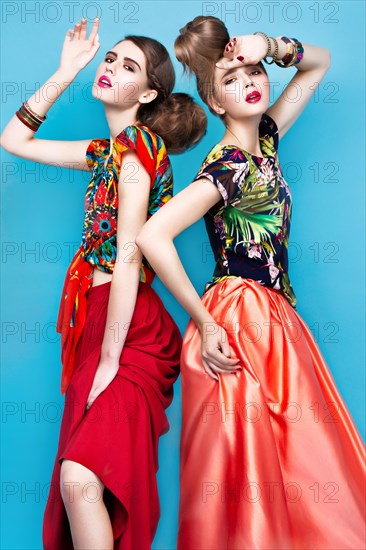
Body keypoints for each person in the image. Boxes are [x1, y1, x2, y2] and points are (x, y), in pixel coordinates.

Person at [136, 15, 366, 550]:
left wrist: (269, 45)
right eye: (233, 81)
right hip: (238, 318)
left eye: (255, 72)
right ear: (216, 103)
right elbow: (152, 236)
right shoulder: (228, 167)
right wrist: (206, 323)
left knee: (298, 466)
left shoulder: (265, 140)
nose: (250, 82)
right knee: (250, 473)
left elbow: (318, 64)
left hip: (275, 317)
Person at [0, 17, 207, 550]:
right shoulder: (104, 151)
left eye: (129, 66)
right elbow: (14, 140)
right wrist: (67, 69)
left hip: (128, 326)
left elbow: (130, 259)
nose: (111, 68)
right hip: (95, 319)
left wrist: (112, 361)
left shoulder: (138, 150)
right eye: (110, 58)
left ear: (149, 92)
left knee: (82, 478)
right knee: (79, 486)